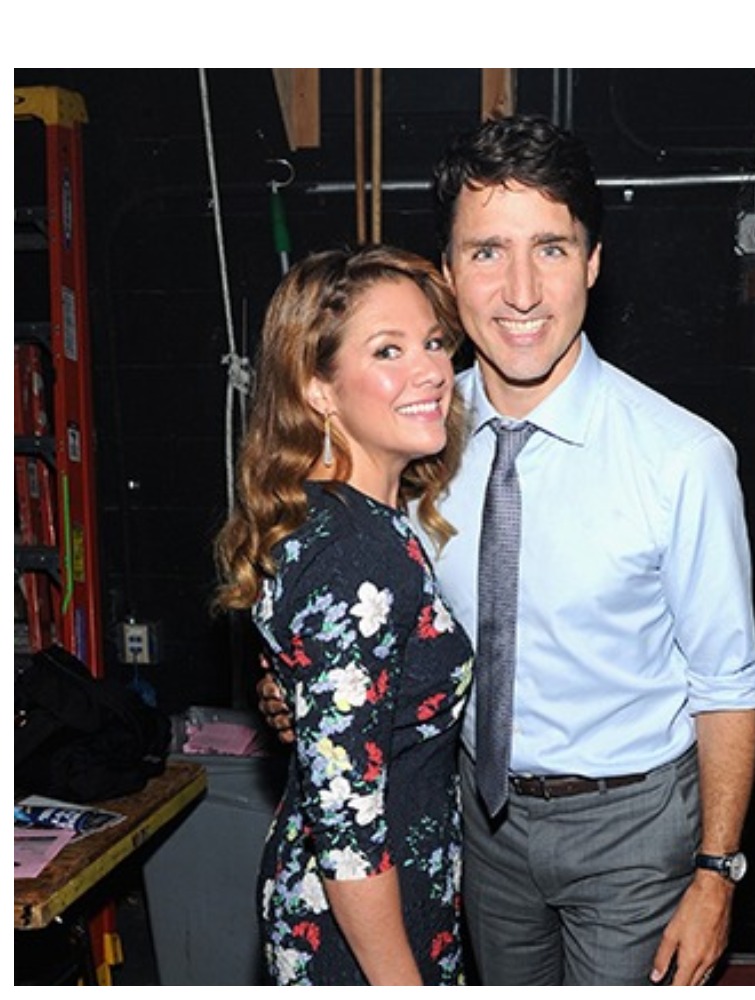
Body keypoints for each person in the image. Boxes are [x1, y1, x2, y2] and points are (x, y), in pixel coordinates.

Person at [260, 114, 755, 986]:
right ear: (450, 272)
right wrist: (292, 683)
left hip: (630, 829)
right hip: (474, 825)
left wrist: (716, 874)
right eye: (489, 251)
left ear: (594, 263)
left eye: (552, 249)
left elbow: (727, 684)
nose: (522, 291)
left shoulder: (681, 459)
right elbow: (325, 575)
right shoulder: (411, 428)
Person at [214, 246, 474, 985]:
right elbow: (347, 824)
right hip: (361, 933)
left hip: (373, 904)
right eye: (388, 350)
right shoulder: (356, 553)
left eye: (433, 343)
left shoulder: (341, 520)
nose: (431, 371)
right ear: (317, 389)